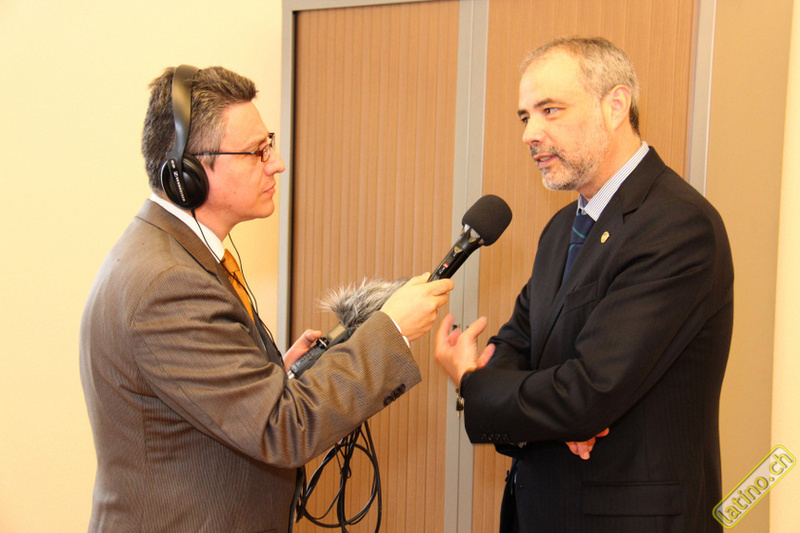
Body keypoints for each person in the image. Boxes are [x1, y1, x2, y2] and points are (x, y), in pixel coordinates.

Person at [79, 65, 453, 532]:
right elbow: (283, 429)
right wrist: (392, 329)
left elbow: (213, 402)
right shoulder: (169, 285)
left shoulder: (168, 253)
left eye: (269, 145)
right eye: (257, 152)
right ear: (188, 172)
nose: (276, 164)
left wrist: (280, 375)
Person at [435, 37, 733, 532]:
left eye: (550, 110)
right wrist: (556, 418)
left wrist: (473, 381)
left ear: (615, 106)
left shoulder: (677, 224)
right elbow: (514, 347)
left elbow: (589, 392)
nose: (530, 133)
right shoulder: (561, 230)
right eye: (525, 116)